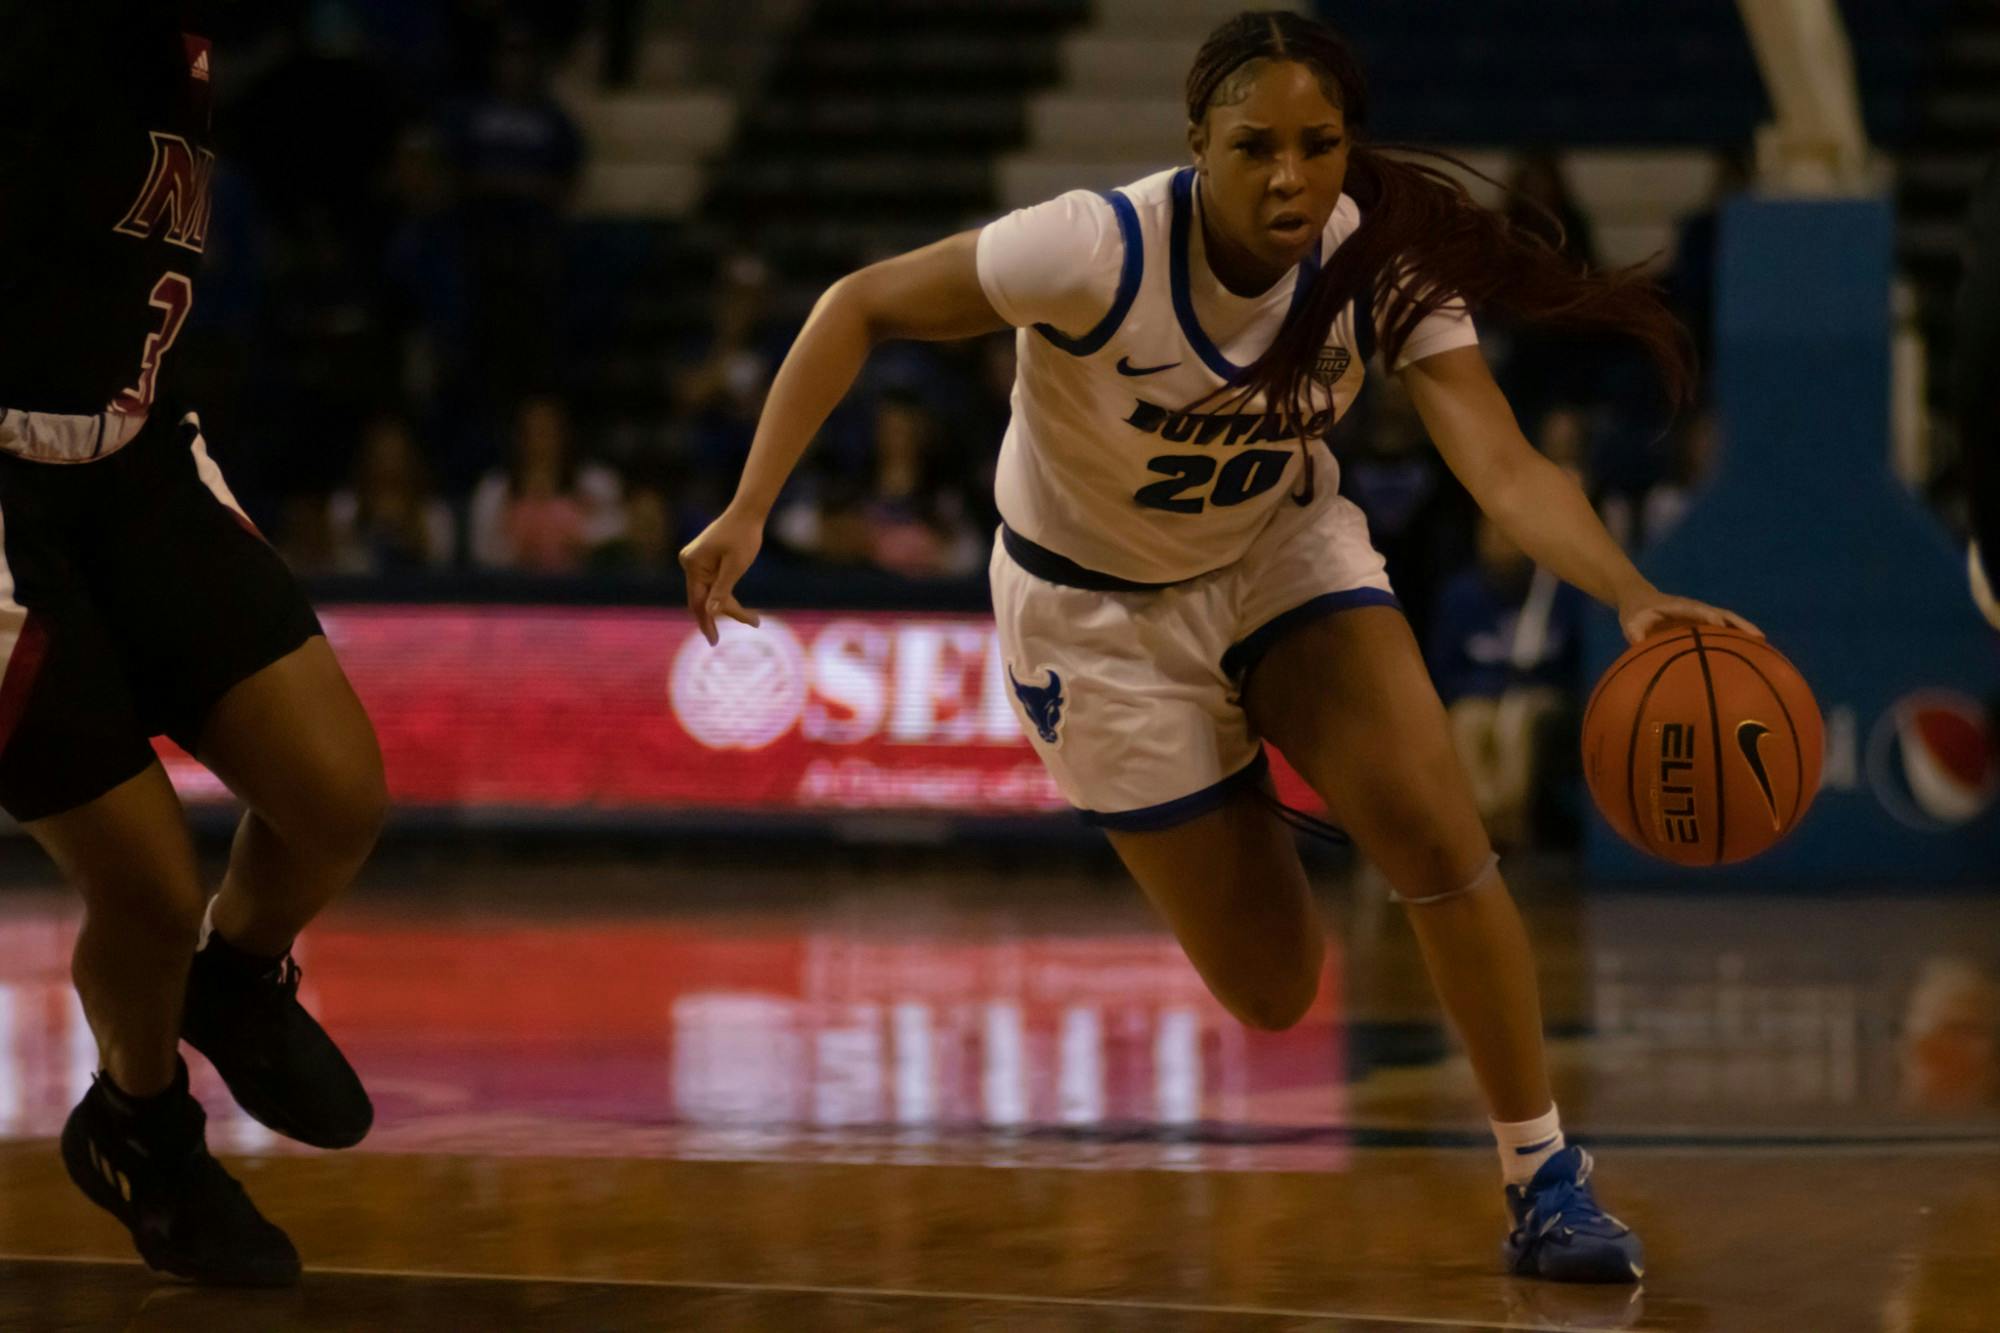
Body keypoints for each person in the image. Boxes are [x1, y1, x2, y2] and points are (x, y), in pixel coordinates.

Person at [680, 10, 1759, 1283]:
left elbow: (1506, 467)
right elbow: (858, 303)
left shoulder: (1382, 264)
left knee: (1435, 829)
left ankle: (1544, 1179)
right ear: (1198, 143)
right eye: (1256, 148)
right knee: (1272, 984)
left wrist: (1628, 594)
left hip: (1273, 556)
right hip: (1093, 619)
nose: (1291, 177)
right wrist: (750, 505)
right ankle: (1235, 765)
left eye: (1319, 145)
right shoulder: (1095, 248)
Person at [0, 6, 385, 1285]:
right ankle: (142, 1128)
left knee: (334, 796)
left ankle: (238, 980)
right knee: (149, 890)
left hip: (135, 452)